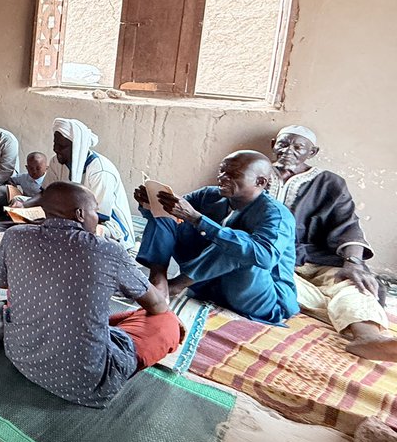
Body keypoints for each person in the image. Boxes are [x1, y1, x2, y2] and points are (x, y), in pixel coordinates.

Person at [0, 182, 181, 408]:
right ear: (80, 214)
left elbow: (3, 283)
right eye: (95, 211)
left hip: (20, 356)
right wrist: (160, 271)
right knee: (168, 322)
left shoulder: (14, 236)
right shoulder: (107, 250)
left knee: (24, 301)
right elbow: (158, 306)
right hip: (87, 381)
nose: (99, 218)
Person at [268, 125, 397, 361]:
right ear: (273, 144)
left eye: (299, 147)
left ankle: (368, 338)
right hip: (274, 259)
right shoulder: (254, 172)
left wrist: (353, 262)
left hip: (319, 259)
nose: (289, 151)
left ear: (313, 152)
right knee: (271, 284)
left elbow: (348, 225)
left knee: (353, 283)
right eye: (284, 144)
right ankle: (351, 318)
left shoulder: (329, 183)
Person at [136, 150, 299, 325]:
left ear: (260, 182)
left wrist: (197, 219)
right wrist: (150, 204)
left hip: (261, 298)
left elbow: (265, 257)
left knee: (239, 242)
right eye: (222, 171)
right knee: (166, 216)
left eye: (233, 174)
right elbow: (169, 221)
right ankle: (159, 283)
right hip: (209, 285)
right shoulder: (208, 195)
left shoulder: (276, 215)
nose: (222, 177)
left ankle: (176, 285)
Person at [34, 118, 134, 249]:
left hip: (106, 223)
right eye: (55, 143)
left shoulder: (100, 171)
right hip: (70, 217)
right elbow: (44, 194)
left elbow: (98, 217)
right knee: (23, 204)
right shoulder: (56, 162)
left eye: (62, 146)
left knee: (93, 234)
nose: (55, 149)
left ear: (77, 147)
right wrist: (22, 205)